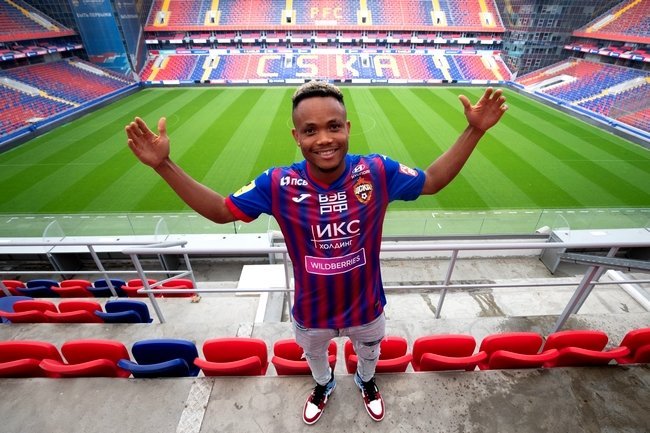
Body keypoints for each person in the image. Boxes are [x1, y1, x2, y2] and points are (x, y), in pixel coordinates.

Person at [125, 81, 507, 424]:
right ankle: (324, 385)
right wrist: (164, 165)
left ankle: (366, 382)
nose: (324, 139)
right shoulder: (278, 183)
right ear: (297, 136)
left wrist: (474, 129)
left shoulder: (376, 171)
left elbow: (433, 180)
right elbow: (223, 211)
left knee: (369, 356)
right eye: (311, 130)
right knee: (316, 360)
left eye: (333, 126)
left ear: (348, 128)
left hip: (367, 308)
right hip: (312, 314)